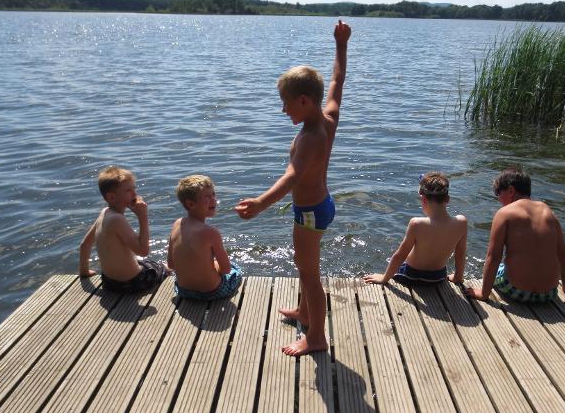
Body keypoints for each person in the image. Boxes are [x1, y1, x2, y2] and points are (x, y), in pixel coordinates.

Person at [235, 19, 351, 357]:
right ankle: (303, 312)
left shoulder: (311, 138)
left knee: (310, 274)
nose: (282, 109)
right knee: (305, 265)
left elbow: (291, 177)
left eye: (285, 103)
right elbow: (337, 80)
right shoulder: (328, 118)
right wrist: (341, 44)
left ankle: (316, 337)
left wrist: (261, 203)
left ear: (303, 101)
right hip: (319, 206)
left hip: (310, 212)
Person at [467, 167, 565, 302]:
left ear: (511, 190)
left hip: (515, 290)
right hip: (548, 294)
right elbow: (563, 256)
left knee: (496, 266)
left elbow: (493, 257)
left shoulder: (504, 213)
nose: (498, 199)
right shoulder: (548, 211)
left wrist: (483, 294)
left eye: (498, 193)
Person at [364, 172, 467, 285]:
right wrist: (457, 277)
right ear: (448, 199)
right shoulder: (461, 222)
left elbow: (400, 255)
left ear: (423, 199)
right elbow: (460, 254)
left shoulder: (417, 223)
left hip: (410, 276)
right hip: (437, 278)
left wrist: (384, 278)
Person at [79, 166, 170, 293]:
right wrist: (142, 217)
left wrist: (84, 272)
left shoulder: (104, 213)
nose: (134, 194)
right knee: (165, 267)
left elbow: (84, 245)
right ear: (111, 197)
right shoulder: (117, 219)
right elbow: (143, 251)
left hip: (109, 282)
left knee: (143, 262)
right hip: (134, 282)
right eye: (128, 191)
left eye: (134, 189)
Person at [168, 174, 242, 301]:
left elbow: (171, 264)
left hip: (183, 291)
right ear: (191, 204)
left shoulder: (177, 224)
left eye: (213, 194)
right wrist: (215, 265)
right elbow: (226, 269)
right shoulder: (211, 232)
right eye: (207, 197)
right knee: (236, 269)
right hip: (212, 292)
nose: (214, 200)